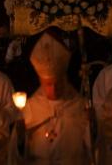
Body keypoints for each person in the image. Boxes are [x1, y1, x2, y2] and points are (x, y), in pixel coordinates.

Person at [9, 29, 92, 164]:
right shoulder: (30, 108)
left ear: (64, 79)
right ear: (40, 81)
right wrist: (20, 140)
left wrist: (93, 128)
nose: (53, 89)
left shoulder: (79, 106)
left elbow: (93, 149)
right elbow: (16, 155)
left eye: (57, 83)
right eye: (48, 84)